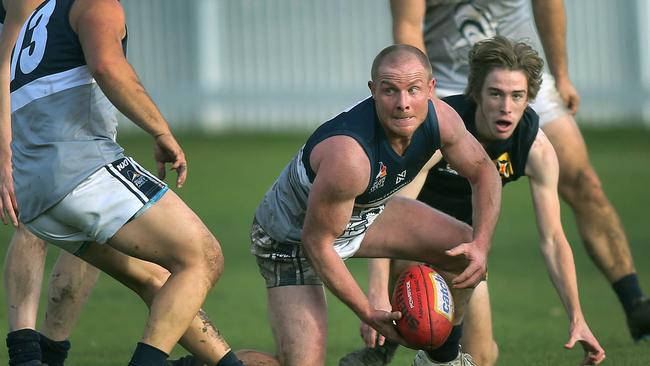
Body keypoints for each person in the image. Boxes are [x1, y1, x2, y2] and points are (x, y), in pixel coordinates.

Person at [389, 0, 650, 347]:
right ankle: (396, 327)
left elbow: (548, 4)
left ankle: (634, 303)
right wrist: (422, 93)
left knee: (582, 179)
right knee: (412, 197)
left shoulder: (535, 137)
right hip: (448, 80)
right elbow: (408, 26)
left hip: (521, 73)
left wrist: (561, 74)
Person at [0, 0, 247, 365]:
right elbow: (107, 66)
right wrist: (160, 130)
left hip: (36, 194)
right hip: (82, 170)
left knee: (155, 279)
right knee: (203, 257)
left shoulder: (36, 13)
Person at [340, 36, 607, 366]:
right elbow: (387, 212)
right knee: (417, 271)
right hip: (411, 247)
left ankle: (426, 352)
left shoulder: (536, 149)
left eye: (517, 96)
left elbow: (553, 239)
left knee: (481, 358)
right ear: (477, 93)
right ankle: (384, 347)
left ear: (529, 100)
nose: (505, 107)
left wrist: (577, 317)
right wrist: (377, 294)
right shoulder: (440, 128)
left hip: (466, 254)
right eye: (495, 94)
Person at [250, 43, 502, 366]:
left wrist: (481, 244)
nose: (403, 104)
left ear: (431, 88)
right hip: (291, 239)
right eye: (390, 91)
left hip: (362, 214)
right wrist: (369, 310)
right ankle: (207, 360)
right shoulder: (350, 157)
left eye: (413, 90)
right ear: (372, 91)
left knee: (464, 248)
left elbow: (484, 172)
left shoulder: (442, 119)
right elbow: (317, 243)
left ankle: (441, 359)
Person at [0, 2, 102, 365]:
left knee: (93, 222)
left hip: (73, 101)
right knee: (34, 220)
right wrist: (5, 147)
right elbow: (6, 57)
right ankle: (25, 352)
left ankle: (51, 351)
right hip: (28, 100)